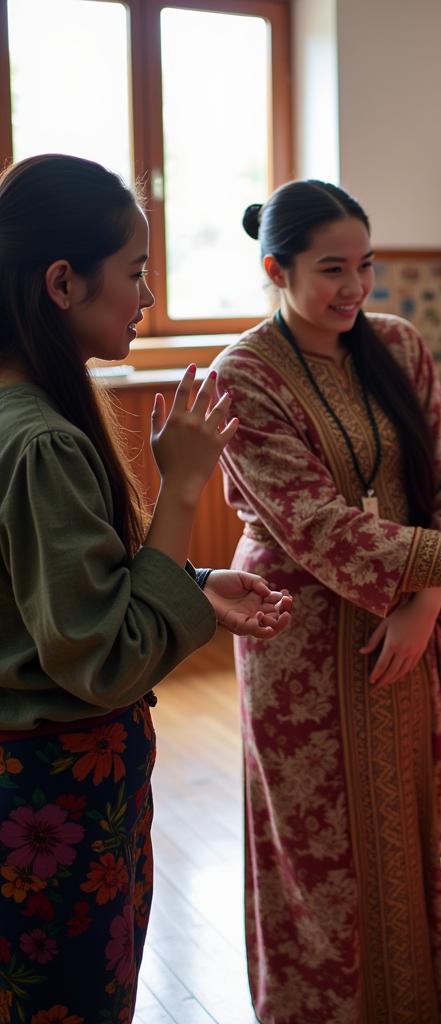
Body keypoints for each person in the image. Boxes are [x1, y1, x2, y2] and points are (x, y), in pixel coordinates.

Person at [0, 154, 291, 1022]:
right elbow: (105, 659)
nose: (146, 298)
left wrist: (198, 585)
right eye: (133, 274)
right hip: (53, 793)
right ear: (61, 282)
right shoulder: (41, 443)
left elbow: (47, 593)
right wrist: (186, 484)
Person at [212, 180, 441, 1024]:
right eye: (332, 269)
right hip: (294, 632)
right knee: (314, 840)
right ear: (276, 268)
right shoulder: (244, 374)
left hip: (403, 619)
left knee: (392, 819)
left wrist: (425, 604)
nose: (354, 289)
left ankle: (408, 994)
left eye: (366, 266)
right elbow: (311, 523)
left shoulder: (399, 346)